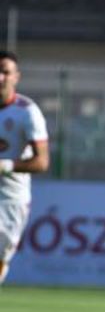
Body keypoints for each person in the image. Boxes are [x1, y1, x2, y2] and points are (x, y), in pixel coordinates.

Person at [0, 51, 50, 288]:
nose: (0, 78)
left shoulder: (27, 112)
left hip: (10, 202)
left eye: (5, 72)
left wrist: (6, 166)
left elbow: (42, 162)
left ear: (16, 77)